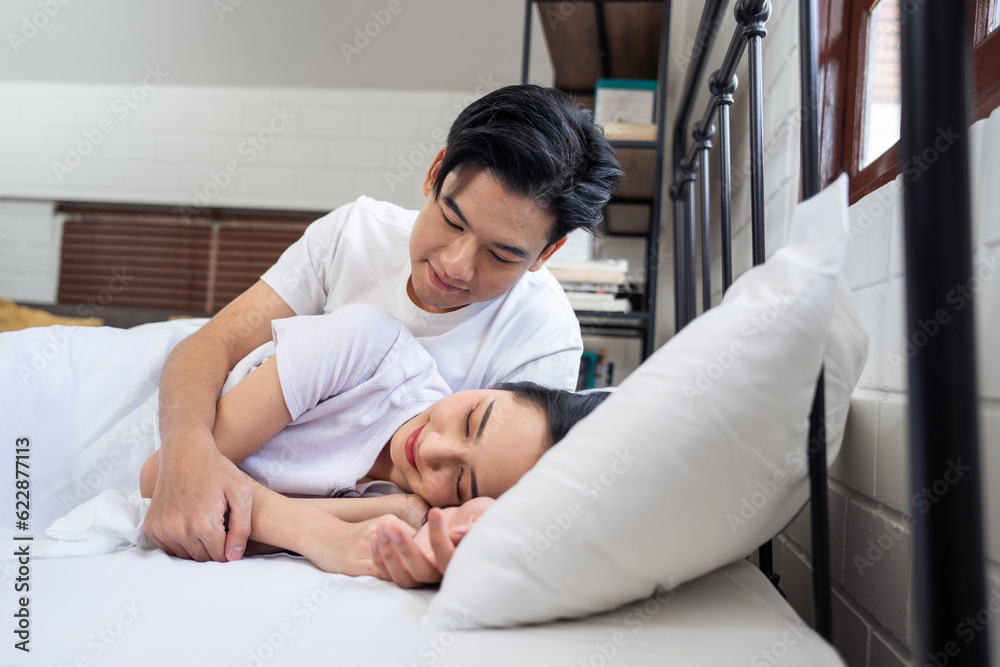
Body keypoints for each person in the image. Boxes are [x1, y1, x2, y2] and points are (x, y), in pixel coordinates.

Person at [145, 83, 623, 564]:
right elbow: (212, 344)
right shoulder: (356, 240)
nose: (456, 265)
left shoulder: (543, 341)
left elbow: (480, 519)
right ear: (436, 173)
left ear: (546, 254)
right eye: (453, 221)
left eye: (500, 255)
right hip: (170, 401)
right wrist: (189, 457)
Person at [138, 305, 610, 578]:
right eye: (470, 420)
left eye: (462, 482)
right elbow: (167, 479)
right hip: (138, 404)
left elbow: (217, 532)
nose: (431, 451)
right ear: (497, 386)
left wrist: (389, 513)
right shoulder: (369, 350)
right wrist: (322, 532)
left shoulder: (410, 513)